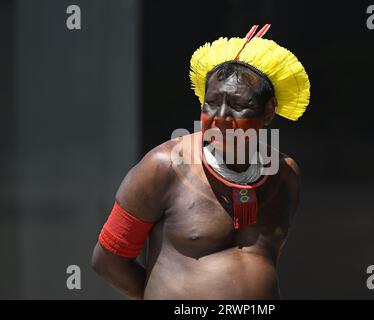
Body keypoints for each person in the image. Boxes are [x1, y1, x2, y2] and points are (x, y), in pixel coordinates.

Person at [91, 24, 310, 299]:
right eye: (211, 103)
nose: (220, 116)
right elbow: (108, 259)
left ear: (268, 111)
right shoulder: (163, 167)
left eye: (237, 105)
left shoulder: (285, 175)